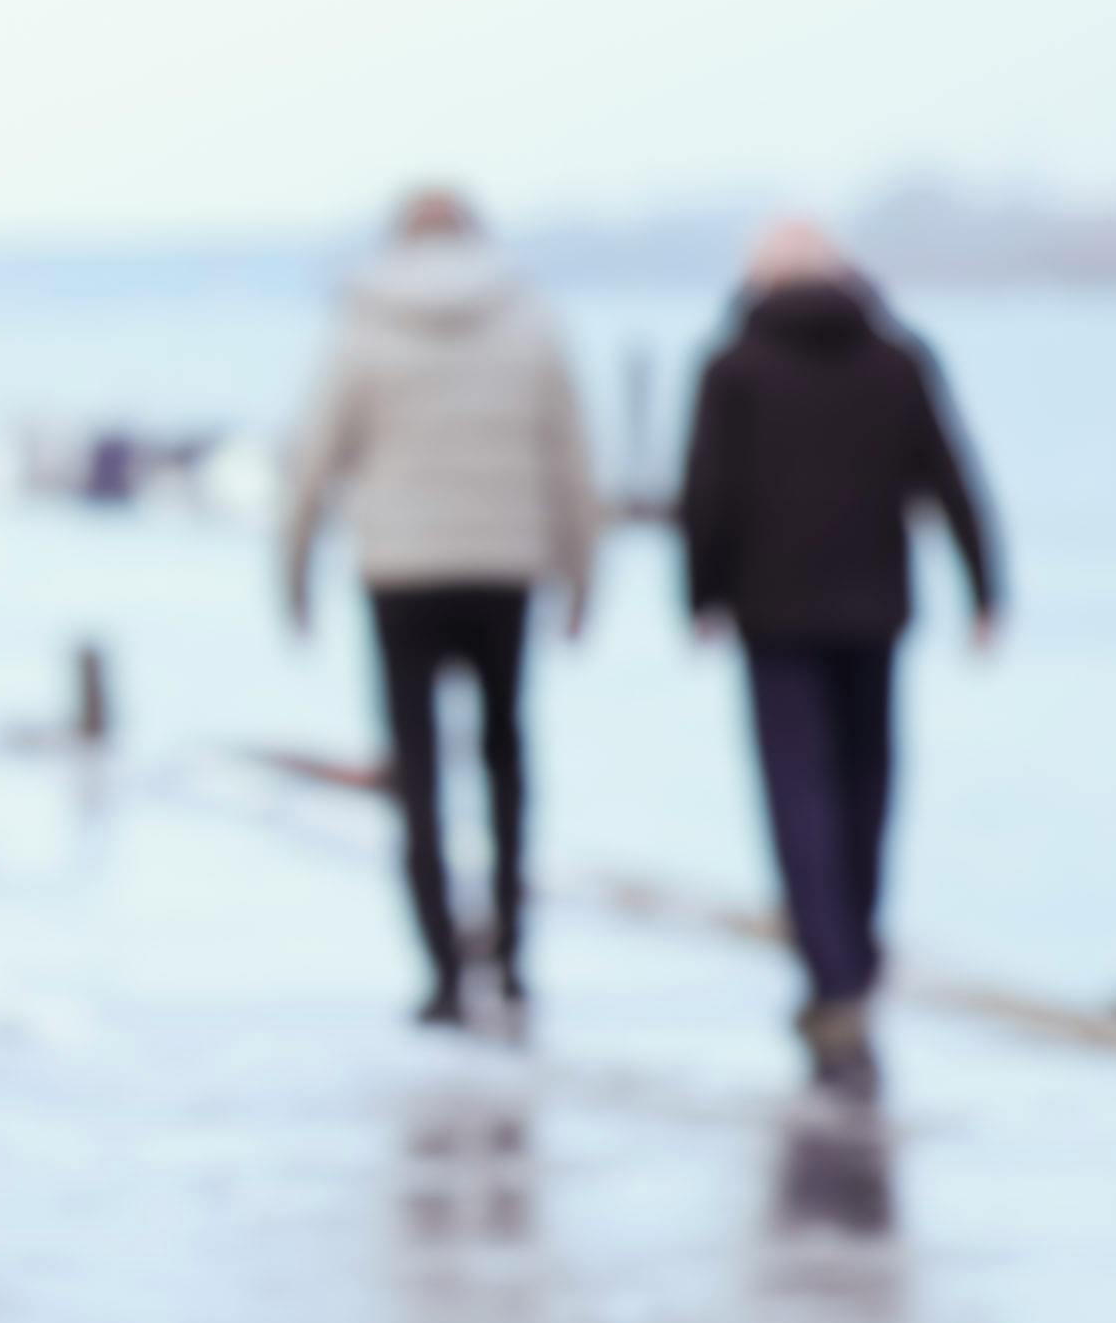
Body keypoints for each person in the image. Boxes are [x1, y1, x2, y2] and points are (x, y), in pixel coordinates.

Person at [676, 217, 1001, 1092]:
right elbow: (950, 473)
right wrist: (985, 587)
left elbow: (706, 494)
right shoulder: (893, 359)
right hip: (874, 610)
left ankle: (831, 971)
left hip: (775, 613)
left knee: (798, 792)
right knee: (867, 786)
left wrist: (700, 595)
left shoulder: (733, 366)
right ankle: (852, 951)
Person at [274, 186, 602, 1027]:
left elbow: (314, 455)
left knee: (417, 772)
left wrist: (294, 569)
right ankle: (516, 960)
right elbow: (570, 455)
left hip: (402, 573)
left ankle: (442, 971)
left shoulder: (365, 319)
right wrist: (582, 574)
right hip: (503, 569)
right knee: (505, 761)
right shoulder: (530, 319)